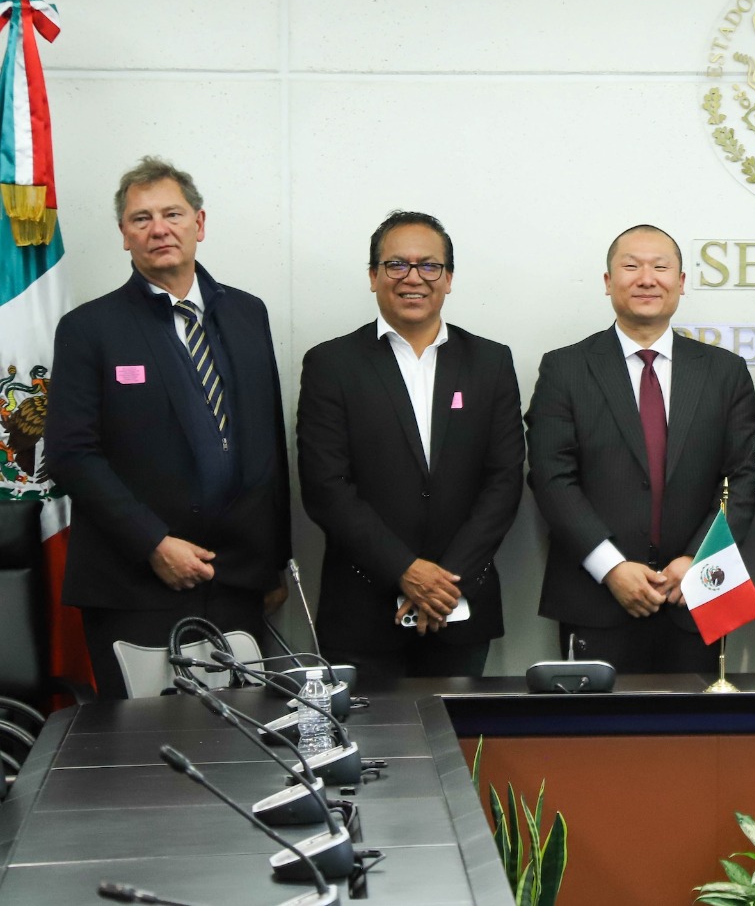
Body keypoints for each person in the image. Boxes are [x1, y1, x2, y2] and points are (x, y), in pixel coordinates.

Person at [45, 157, 289, 699]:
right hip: (135, 583)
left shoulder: (250, 314)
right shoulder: (89, 329)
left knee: (240, 753)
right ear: (124, 236)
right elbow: (70, 454)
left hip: (237, 582)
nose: (159, 228)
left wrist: (273, 563)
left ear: (199, 224)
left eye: (172, 214)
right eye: (141, 219)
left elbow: (269, 443)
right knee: (147, 764)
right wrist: (153, 543)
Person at [297, 211, 524, 678]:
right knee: (370, 747)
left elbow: (503, 481)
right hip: (362, 611)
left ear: (449, 278)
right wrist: (405, 570)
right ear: (373, 276)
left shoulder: (491, 362)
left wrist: (445, 582)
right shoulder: (331, 364)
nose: (412, 278)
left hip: (459, 605)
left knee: (461, 745)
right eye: (396, 265)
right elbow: (326, 487)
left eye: (429, 266)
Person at [526, 224, 755, 673]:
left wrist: (696, 559)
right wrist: (610, 566)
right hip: (595, 597)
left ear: (682, 282)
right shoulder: (565, 368)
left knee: (699, 738)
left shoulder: (724, 372)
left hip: (698, 592)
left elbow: (745, 478)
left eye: (661, 266)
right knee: (599, 739)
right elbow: (551, 477)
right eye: (630, 266)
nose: (646, 278)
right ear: (608, 282)